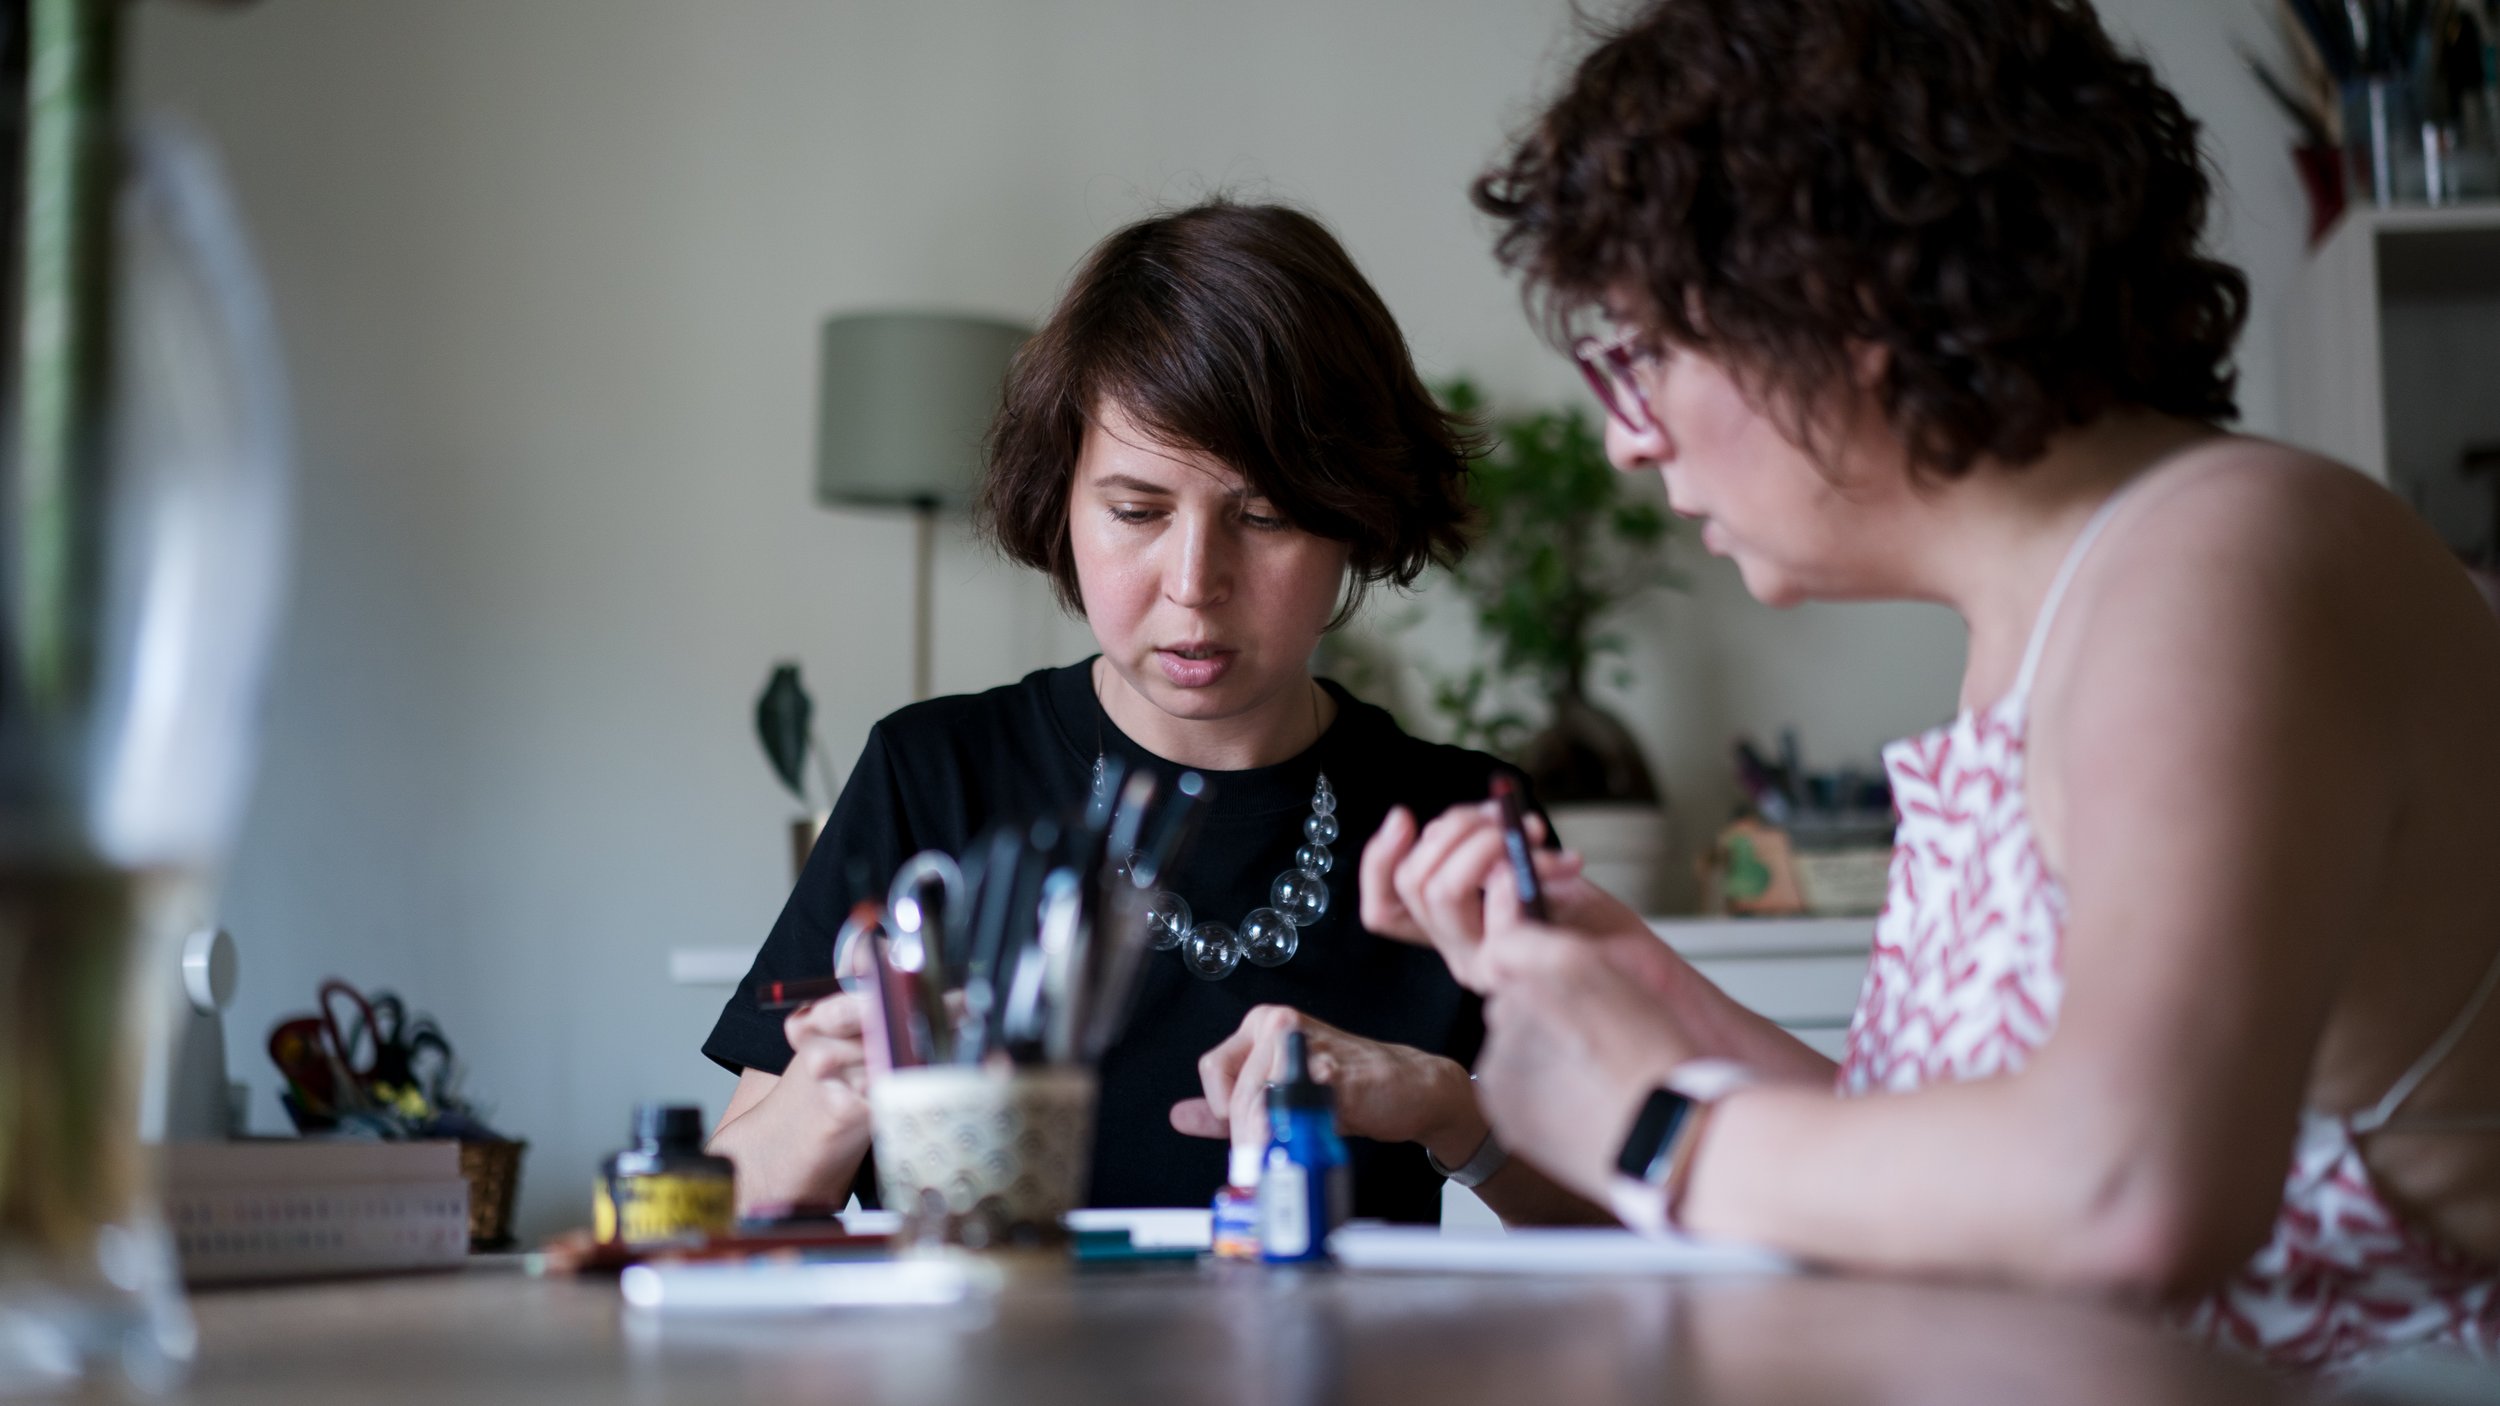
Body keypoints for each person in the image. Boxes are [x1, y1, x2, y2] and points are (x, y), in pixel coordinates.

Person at [1364, 0, 2500, 1374]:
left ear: (1837, 292)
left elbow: (2124, 1190)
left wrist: (1654, 1121)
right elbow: (1973, 1156)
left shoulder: (2221, 560)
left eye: (1645, 351)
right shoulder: (2058, 609)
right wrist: (1645, 978)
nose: (1624, 439)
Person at [703, 201, 1592, 1227]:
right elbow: (709, 1214)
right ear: (1061, 502)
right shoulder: (934, 774)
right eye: (1136, 511)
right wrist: (832, 1097)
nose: (1193, 582)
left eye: (1262, 516)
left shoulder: (1456, 819)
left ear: (1355, 518)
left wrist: (1448, 1106)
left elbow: (1631, 1235)